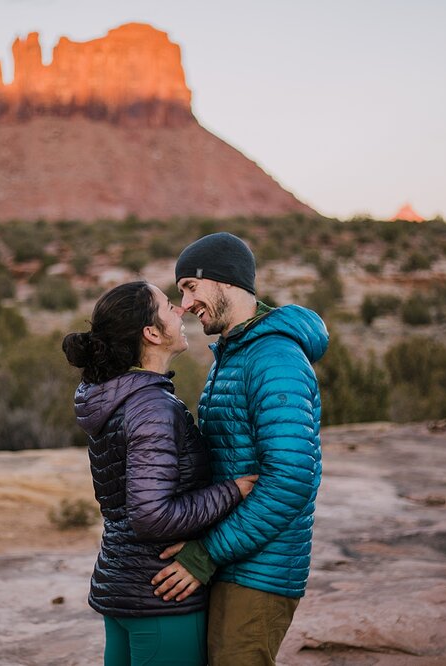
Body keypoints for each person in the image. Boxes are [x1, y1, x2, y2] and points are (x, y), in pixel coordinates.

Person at [151, 232, 328, 665]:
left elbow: (291, 480)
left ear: (224, 280)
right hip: (235, 558)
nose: (187, 304)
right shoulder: (237, 354)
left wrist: (206, 554)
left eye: (191, 287)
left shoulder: (274, 359)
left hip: (260, 571)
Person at [62, 280, 258, 666]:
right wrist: (233, 490)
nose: (180, 310)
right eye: (169, 306)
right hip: (161, 594)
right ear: (151, 333)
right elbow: (151, 515)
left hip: (124, 587)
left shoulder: (115, 395)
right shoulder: (151, 408)